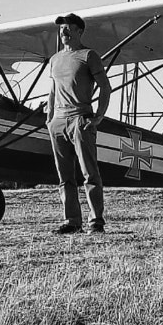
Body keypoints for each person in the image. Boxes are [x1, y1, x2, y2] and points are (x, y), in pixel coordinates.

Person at [47, 13, 111, 234]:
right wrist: (49, 119)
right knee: (64, 176)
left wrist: (98, 117)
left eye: (68, 28)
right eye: (61, 28)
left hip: (80, 119)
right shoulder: (54, 59)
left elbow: (105, 86)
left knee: (89, 173)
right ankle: (72, 221)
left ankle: (96, 221)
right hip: (58, 122)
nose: (63, 31)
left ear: (79, 31)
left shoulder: (88, 55)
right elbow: (53, 90)